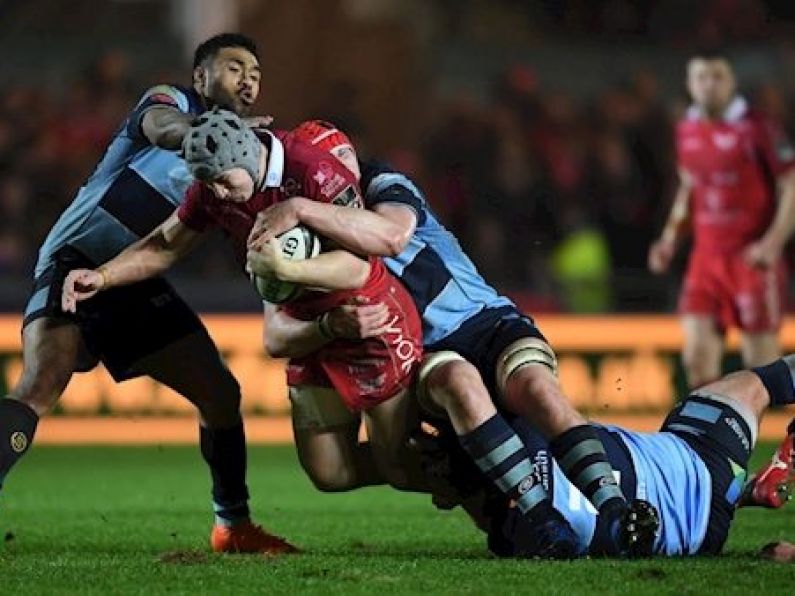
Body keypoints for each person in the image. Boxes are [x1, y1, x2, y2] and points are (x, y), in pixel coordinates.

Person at [248, 121, 660, 557]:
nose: (338, 174)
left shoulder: (384, 186)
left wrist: (300, 212)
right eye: (323, 166)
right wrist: (326, 319)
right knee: (433, 419)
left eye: (344, 159)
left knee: (536, 389)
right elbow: (274, 332)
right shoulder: (296, 236)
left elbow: (391, 236)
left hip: (485, 321)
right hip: (425, 354)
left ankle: (616, 511)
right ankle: (539, 521)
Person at [2, 33, 296, 554]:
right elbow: (162, 127)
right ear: (201, 76)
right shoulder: (171, 103)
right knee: (41, 384)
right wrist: (201, 136)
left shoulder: (241, 159)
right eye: (234, 67)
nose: (248, 79)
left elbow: (187, 238)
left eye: (255, 74)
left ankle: (233, 527)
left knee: (220, 394)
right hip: (77, 260)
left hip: (133, 278)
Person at [61, 109, 425, 494]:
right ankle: (452, 464)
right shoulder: (212, 189)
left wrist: (285, 268)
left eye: (222, 181)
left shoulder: (312, 170)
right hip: (311, 326)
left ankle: (481, 477)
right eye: (208, 183)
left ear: (246, 156)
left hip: (368, 316)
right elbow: (164, 245)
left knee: (400, 466)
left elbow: (359, 267)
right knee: (329, 473)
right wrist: (103, 276)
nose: (217, 192)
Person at [458, 356, 795, 558]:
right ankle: (778, 466)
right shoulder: (521, 415)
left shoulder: (507, 534)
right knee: (759, 383)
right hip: (696, 464)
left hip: (696, 536)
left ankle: (744, 491)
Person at [648, 52, 795, 388]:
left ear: (731, 82)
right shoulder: (686, 129)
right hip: (705, 259)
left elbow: (791, 183)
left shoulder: (757, 128)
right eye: (701, 77)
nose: (709, 85)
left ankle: (777, 440)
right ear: (689, 84)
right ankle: (708, 439)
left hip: (750, 259)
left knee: (761, 370)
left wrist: (772, 243)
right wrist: (670, 239)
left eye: (717, 77)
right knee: (697, 361)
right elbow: (690, 188)